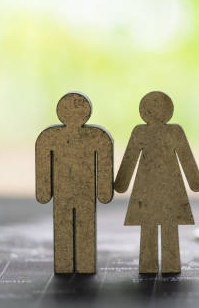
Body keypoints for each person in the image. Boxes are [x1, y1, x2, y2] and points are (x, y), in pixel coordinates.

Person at [115, 91, 199, 274]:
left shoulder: (162, 132)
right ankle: (159, 264)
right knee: (162, 224)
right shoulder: (155, 132)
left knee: (160, 224)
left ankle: (156, 264)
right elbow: (130, 158)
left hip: (153, 186)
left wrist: (121, 184)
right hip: (161, 187)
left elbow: (185, 156)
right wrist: (195, 182)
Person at [35, 92, 114, 274]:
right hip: (64, 192)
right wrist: (44, 191)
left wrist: (103, 191)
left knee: (84, 226)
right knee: (63, 226)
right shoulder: (49, 137)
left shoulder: (97, 136)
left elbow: (104, 162)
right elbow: (43, 165)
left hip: (84, 192)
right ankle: (66, 265)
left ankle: (84, 264)